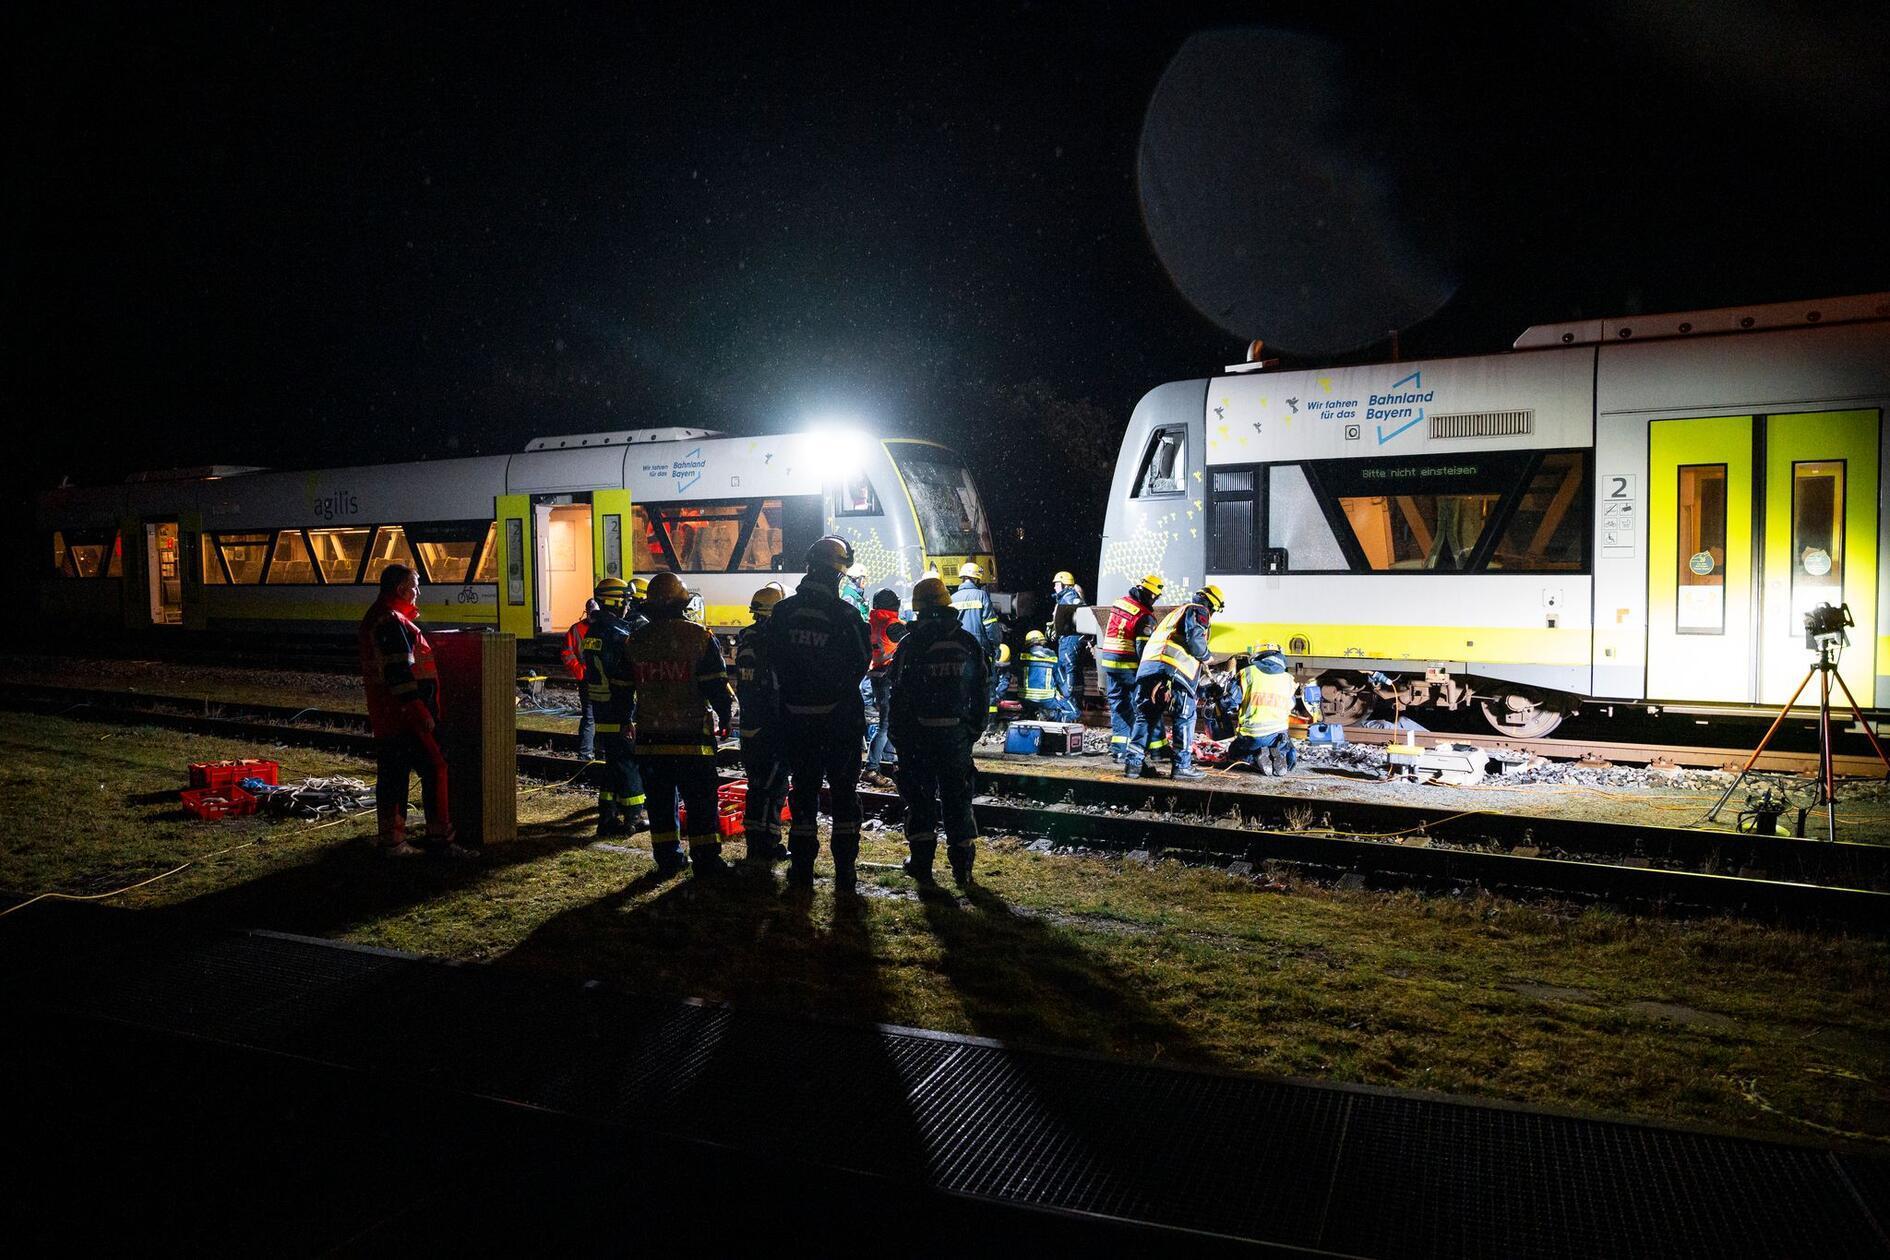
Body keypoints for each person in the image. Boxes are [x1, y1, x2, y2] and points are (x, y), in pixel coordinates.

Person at [761, 535, 871, 890]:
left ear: (810, 568)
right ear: (837, 574)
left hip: (796, 722)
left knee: (803, 794)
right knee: (844, 796)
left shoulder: (783, 613)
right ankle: (845, 872)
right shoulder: (846, 616)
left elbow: (771, 662)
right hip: (839, 724)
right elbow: (860, 663)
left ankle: (802, 869)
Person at [357, 563, 473, 858]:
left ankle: (392, 840)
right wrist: (419, 709)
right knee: (436, 767)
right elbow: (399, 671)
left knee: (394, 774)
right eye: (415, 586)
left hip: (390, 714)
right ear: (401, 589)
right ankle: (440, 840)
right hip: (406, 716)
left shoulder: (381, 617)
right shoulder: (390, 621)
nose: (418, 592)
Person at [624, 572, 735, 878]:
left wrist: (624, 720)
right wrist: (725, 717)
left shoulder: (636, 641)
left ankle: (668, 858)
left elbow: (623, 688)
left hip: (651, 740)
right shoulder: (699, 637)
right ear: (683, 604)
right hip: (692, 740)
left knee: (660, 804)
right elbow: (716, 685)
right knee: (701, 802)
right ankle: (706, 860)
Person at [888, 576, 987, 887]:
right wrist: (973, 728)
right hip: (955, 737)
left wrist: (898, 736)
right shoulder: (967, 642)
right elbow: (981, 689)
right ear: (947, 604)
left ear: (918, 609)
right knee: (958, 801)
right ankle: (962, 870)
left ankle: (921, 865)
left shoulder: (910, 644)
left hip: (918, 738)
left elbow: (897, 694)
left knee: (920, 801)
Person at [1125, 584, 1224, 781]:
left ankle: (1133, 765)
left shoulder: (1174, 614)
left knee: (1145, 717)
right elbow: (1195, 640)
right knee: (1185, 717)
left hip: (1149, 669)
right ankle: (1182, 767)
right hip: (1174, 671)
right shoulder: (1199, 609)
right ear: (1213, 605)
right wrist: (1207, 657)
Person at [581, 576, 649, 838]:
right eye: (626, 601)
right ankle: (634, 817)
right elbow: (623, 680)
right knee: (629, 762)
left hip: (601, 707)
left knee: (613, 763)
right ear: (615, 602)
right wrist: (627, 717)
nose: (628, 606)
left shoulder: (594, 631)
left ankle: (607, 817)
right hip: (619, 709)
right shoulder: (618, 636)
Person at [734, 582, 790, 865]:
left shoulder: (746, 639)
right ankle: (766, 843)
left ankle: (756, 841)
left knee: (757, 784)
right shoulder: (774, 643)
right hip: (771, 725)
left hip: (749, 722)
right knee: (773, 786)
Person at [1097, 574, 1163, 761]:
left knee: (1119, 705)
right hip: (1128, 665)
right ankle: (1157, 749)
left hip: (1110, 663)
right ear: (1151, 594)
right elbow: (1143, 649)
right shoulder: (1145, 616)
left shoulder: (1121, 603)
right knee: (1147, 704)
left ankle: (1120, 750)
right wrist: (1152, 674)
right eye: (1155, 597)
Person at [1224, 643, 1315, 776]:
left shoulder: (1248, 673)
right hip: (1278, 735)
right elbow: (1291, 705)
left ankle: (1254, 758)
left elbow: (1231, 702)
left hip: (1252, 735)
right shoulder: (1288, 679)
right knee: (1288, 751)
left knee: (1235, 753)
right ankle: (1279, 756)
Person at [863, 588, 903, 786]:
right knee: (886, 724)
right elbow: (910, 639)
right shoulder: (893, 625)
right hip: (888, 677)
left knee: (888, 721)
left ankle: (889, 759)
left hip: (876, 674)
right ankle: (871, 768)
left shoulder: (871, 623)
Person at [562, 596, 601, 762]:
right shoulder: (579, 629)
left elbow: (567, 653)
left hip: (592, 678)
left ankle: (588, 752)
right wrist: (579, 671)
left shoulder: (578, 629)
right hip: (591, 679)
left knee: (592, 716)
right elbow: (567, 653)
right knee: (592, 716)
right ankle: (588, 753)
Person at [1051, 570, 1086, 716]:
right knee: (1074, 671)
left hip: (1069, 641)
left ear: (1064, 584)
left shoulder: (1070, 598)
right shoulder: (1066, 598)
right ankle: (1075, 704)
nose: (1054, 587)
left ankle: (1070, 708)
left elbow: (1081, 612)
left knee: (1068, 670)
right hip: (1070, 639)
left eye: (1056, 584)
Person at [1020, 629, 1077, 721]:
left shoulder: (1020, 659)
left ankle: (1032, 713)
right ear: (1043, 642)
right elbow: (1062, 682)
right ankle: (1051, 715)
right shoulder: (1052, 659)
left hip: (1025, 700)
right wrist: (1066, 695)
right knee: (1074, 712)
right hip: (1047, 700)